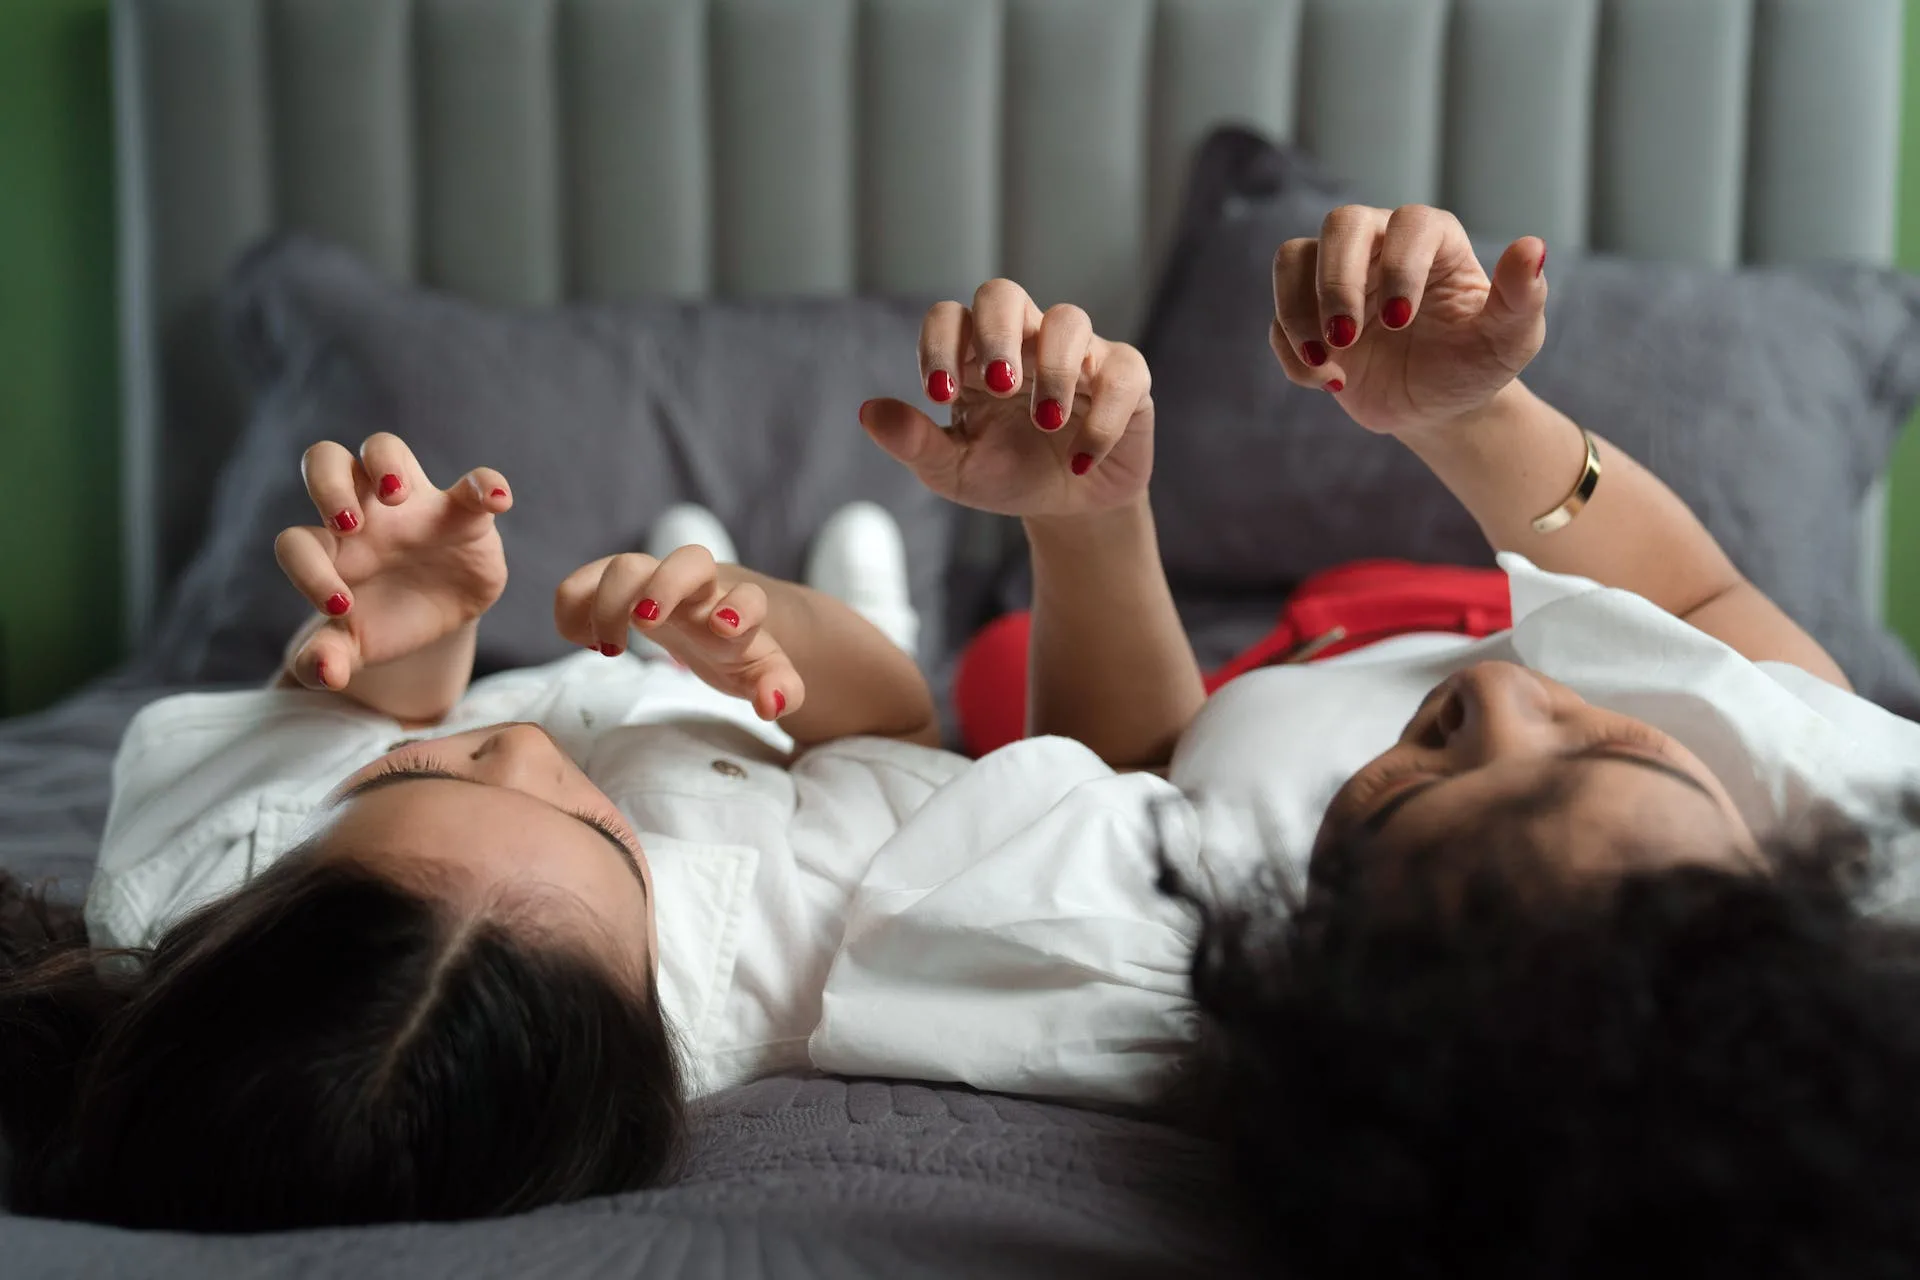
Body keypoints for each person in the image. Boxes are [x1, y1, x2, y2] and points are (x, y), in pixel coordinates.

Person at [846, 204, 1920, 1277]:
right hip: (1465, 584)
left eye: (1404, 797)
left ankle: (876, 613)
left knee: (995, 667)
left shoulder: (1215, 969)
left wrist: (1082, 517)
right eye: (1627, 749)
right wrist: (1476, 414)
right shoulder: (1833, 787)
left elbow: (1119, 789)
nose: (1497, 690)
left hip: (1268, 663)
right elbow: (1698, 596)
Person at [0, 449, 948, 1231]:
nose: (531, 752)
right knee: (771, 628)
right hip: (764, 733)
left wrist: (405, 631)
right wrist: (785, 625)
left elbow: (341, 728)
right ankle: (850, 605)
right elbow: (894, 737)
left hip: (588, 671)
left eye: (412, 769)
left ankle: (682, 593)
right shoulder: (788, 960)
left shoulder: (180, 876)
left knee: (672, 602)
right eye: (605, 836)